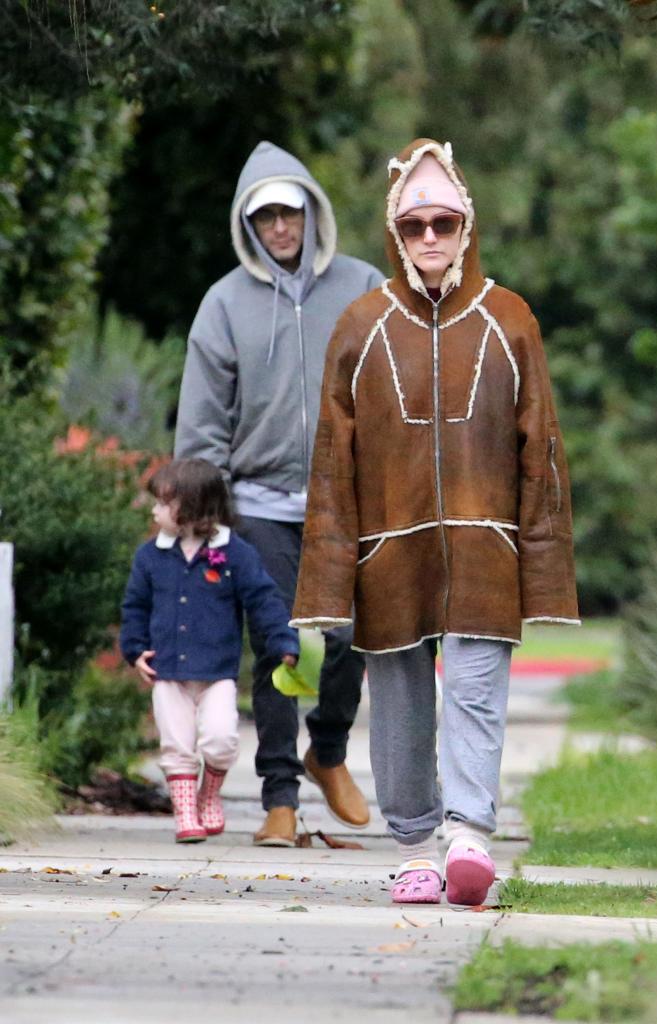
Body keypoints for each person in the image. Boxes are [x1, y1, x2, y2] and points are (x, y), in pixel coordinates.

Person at [290, 139, 580, 904]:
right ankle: (416, 846)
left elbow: (540, 449)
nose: (428, 238)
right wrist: (327, 582)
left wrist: (543, 569)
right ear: (394, 232)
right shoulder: (359, 324)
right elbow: (331, 465)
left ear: (465, 227)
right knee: (401, 705)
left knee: (477, 693)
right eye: (414, 224)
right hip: (387, 553)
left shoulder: (510, 320)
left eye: (442, 223)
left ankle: (469, 839)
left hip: (486, 547)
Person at [174, 141, 385, 846]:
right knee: (281, 647)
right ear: (249, 223)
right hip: (258, 504)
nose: (280, 229)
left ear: (310, 213)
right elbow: (201, 423)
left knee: (352, 639)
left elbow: (395, 396)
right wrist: (201, 518)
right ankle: (279, 800)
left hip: (345, 502)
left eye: (289, 213)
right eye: (264, 217)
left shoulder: (360, 286)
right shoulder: (224, 303)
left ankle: (326, 753)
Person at [120, 458, 299, 844]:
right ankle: (186, 813)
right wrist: (134, 650)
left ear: (192, 507)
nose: (154, 510)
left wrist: (283, 640)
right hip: (168, 671)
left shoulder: (234, 553)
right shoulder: (151, 556)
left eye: (162, 503)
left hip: (217, 671)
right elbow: (135, 607)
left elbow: (264, 599)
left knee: (220, 740)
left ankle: (209, 793)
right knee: (176, 743)